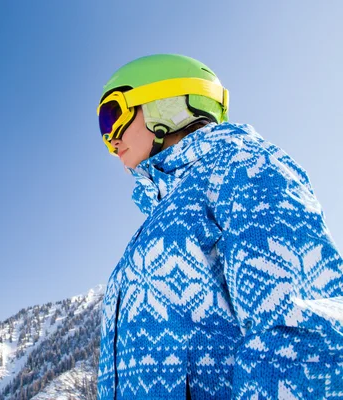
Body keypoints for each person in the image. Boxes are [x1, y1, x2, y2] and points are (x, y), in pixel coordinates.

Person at [96, 54, 343, 399]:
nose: (110, 141)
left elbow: (300, 333)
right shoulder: (159, 219)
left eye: (111, 117)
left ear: (164, 104)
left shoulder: (244, 168)